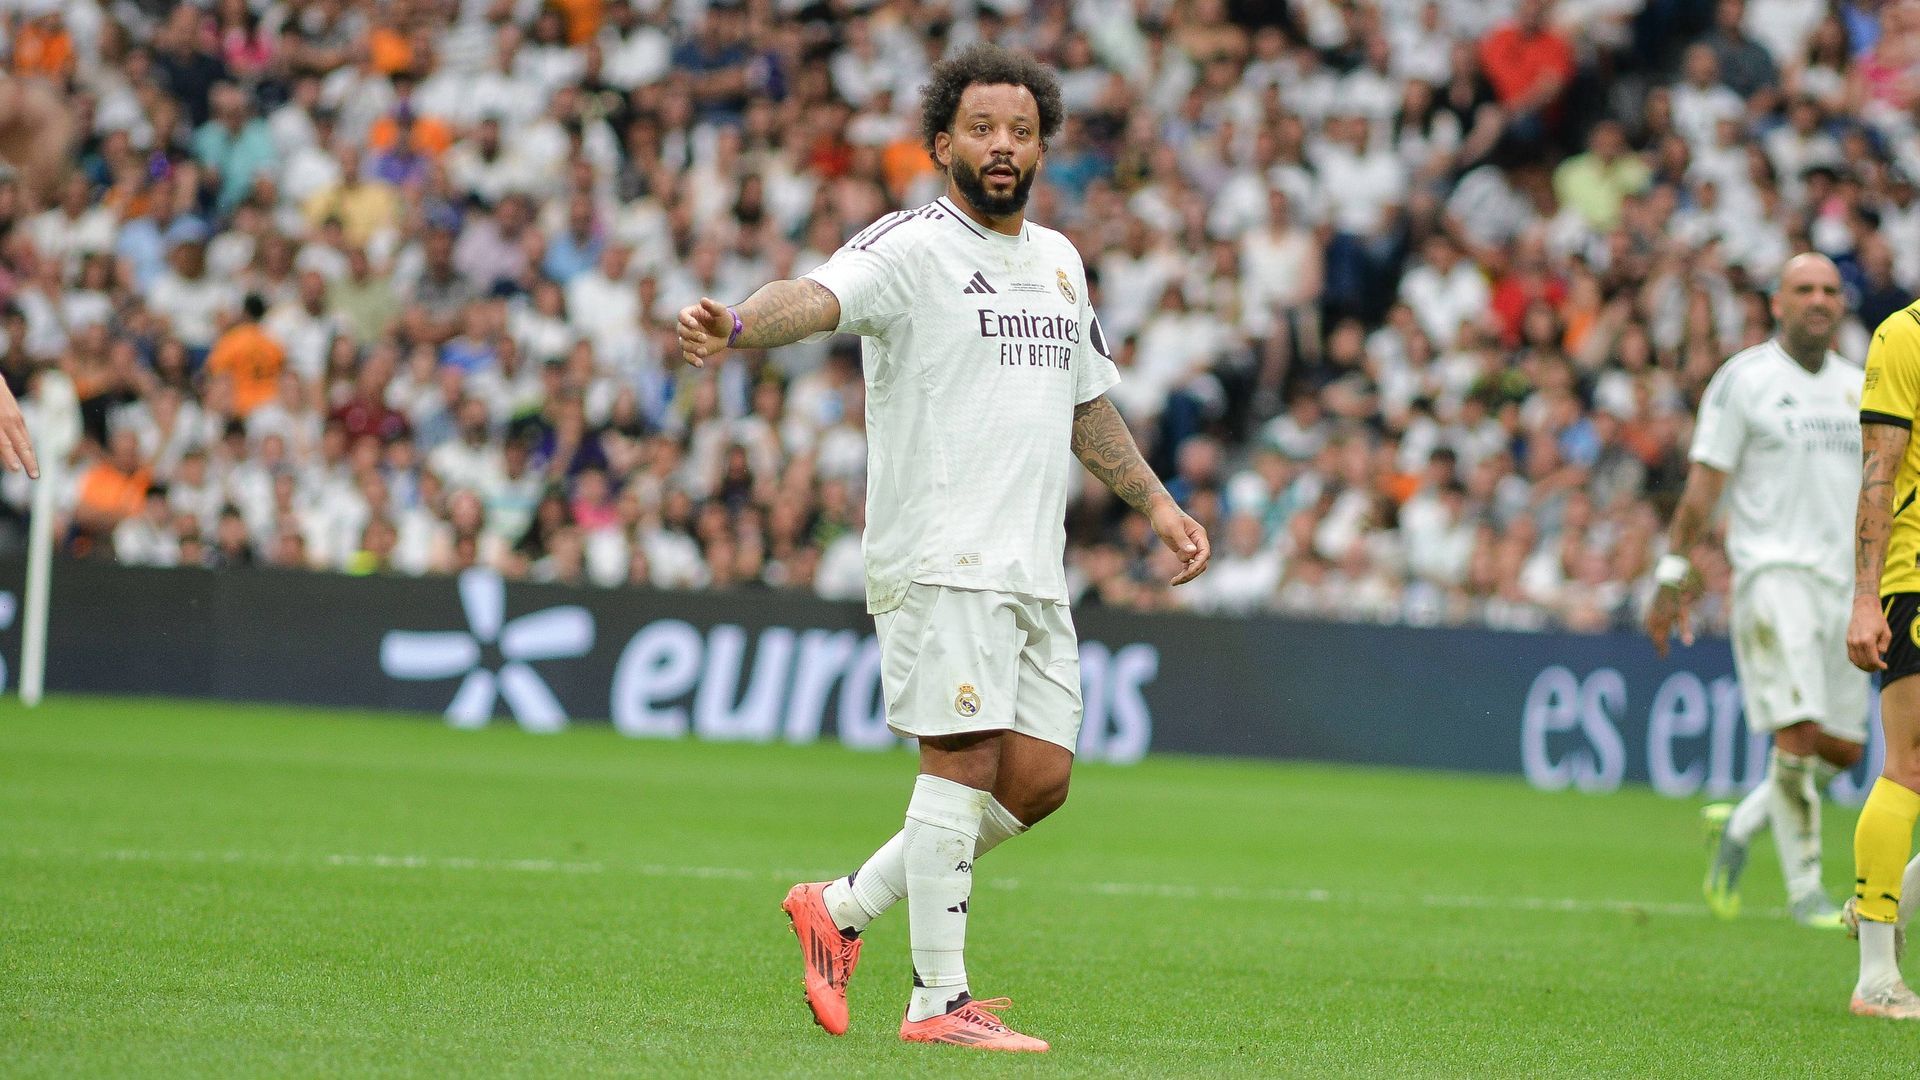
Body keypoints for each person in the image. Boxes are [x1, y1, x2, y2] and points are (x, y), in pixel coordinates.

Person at [675, 44, 1210, 1052]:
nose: (1003, 146)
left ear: (1042, 145)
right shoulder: (912, 246)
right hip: (940, 550)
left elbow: (1086, 405)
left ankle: (836, 909)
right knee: (960, 762)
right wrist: (739, 323)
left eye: (1021, 130)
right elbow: (817, 296)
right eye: (981, 129)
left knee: (1040, 778)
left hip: (1029, 564)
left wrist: (1157, 506)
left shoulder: (1058, 259)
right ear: (940, 145)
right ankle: (937, 1002)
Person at [1645, 254, 1865, 929]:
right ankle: (1806, 895)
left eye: (1830, 290)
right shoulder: (1744, 381)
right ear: (1777, 302)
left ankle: (1739, 825)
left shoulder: (1860, 386)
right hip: (1773, 576)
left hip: (1846, 584)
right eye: (1804, 289)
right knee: (1796, 732)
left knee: (1843, 749)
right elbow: (1704, 489)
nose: (1819, 300)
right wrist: (1671, 573)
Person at [1842, 286, 1920, 1020]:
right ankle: (1875, 979)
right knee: (1911, 763)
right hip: (1916, 575)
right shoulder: (1905, 336)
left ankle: (1880, 891)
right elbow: (1879, 469)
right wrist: (1866, 596)